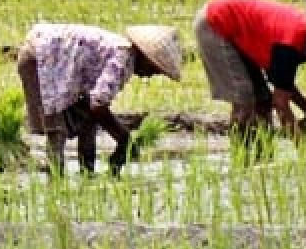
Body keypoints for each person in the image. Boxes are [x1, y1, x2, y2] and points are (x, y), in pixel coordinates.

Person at [17, 23, 182, 175]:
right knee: (56, 125)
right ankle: (56, 182)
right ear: (146, 57)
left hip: (46, 55)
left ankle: (86, 171)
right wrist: (123, 137)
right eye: (154, 69)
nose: (150, 76)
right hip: (40, 57)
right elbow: (98, 106)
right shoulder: (123, 58)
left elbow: (93, 107)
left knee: (87, 117)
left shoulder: (121, 53)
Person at [194, 0, 306, 145]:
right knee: (244, 98)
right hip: (215, 23)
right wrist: (302, 148)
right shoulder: (291, 43)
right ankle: (241, 154)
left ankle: (262, 153)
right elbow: (281, 104)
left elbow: (283, 83)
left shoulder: (302, 40)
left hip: (240, 30)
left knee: (263, 100)